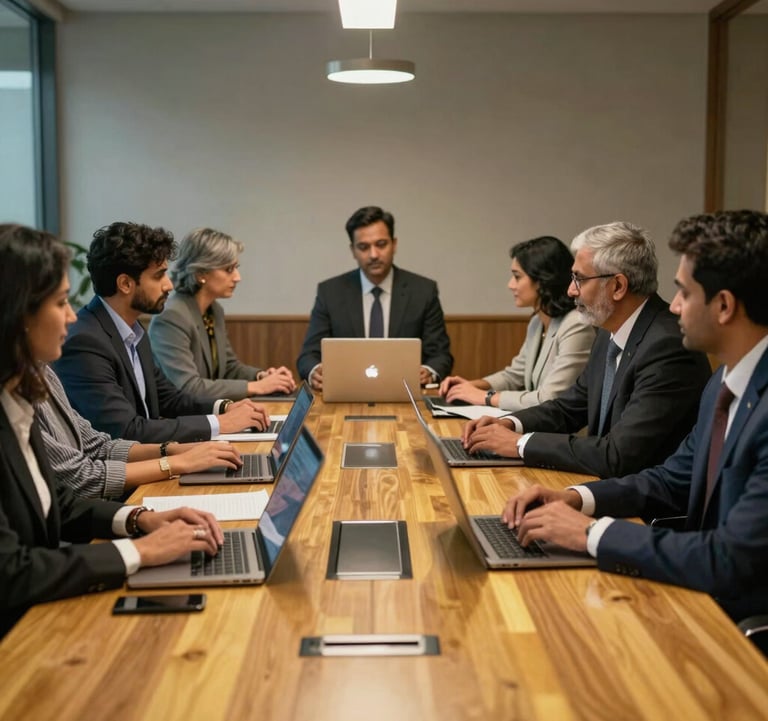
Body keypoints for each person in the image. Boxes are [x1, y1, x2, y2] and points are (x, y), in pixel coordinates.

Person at [503, 210, 768, 622]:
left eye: (683, 292)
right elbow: (672, 477)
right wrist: (576, 499)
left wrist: (591, 534)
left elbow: (729, 558)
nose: (674, 305)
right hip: (692, 583)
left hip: (734, 622)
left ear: (724, 305)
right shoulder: (724, 383)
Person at [0, 223, 224, 638]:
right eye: (61, 302)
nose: (72, 315)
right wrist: (139, 551)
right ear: (18, 315)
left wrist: (139, 519)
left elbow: (60, 505)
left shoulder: (26, 383)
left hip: (45, 606)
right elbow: (11, 572)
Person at [462, 221, 712, 478]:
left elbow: (618, 455)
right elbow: (570, 407)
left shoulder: (668, 347)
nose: (571, 290)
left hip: (640, 508)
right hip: (604, 486)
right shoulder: (609, 333)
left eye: (579, 279)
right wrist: (510, 423)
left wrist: (519, 444)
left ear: (617, 286)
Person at [53, 222, 270, 444]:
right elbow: (125, 430)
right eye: (159, 276)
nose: (169, 285)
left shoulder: (134, 332)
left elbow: (170, 398)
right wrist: (220, 424)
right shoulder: (85, 342)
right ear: (125, 283)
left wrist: (225, 407)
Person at [296, 206, 453, 390]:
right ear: (353, 250)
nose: (373, 255)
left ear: (394, 244)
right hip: (347, 393)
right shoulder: (330, 292)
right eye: (363, 247)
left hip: (406, 394)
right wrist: (315, 371)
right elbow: (308, 356)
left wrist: (429, 371)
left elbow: (441, 355)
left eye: (381, 244)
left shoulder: (423, 291)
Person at [37, 364, 243, 500]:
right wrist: (178, 463)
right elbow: (80, 478)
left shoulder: (44, 373)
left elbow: (98, 447)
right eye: (61, 303)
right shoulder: (84, 339)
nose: (71, 316)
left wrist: (176, 450)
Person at [439, 236, 594, 410]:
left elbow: (550, 398)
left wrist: (486, 397)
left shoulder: (577, 324)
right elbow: (514, 376)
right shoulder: (537, 322)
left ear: (543, 279)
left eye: (517, 277)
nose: (510, 285)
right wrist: (470, 386)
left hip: (562, 434)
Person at [148, 227, 296, 399]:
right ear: (200, 273)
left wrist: (262, 376)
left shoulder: (214, 310)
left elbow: (229, 367)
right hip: (177, 420)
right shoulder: (171, 316)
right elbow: (188, 388)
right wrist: (256, 386)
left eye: (236, 268)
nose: (237, 277)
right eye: (228, 269)